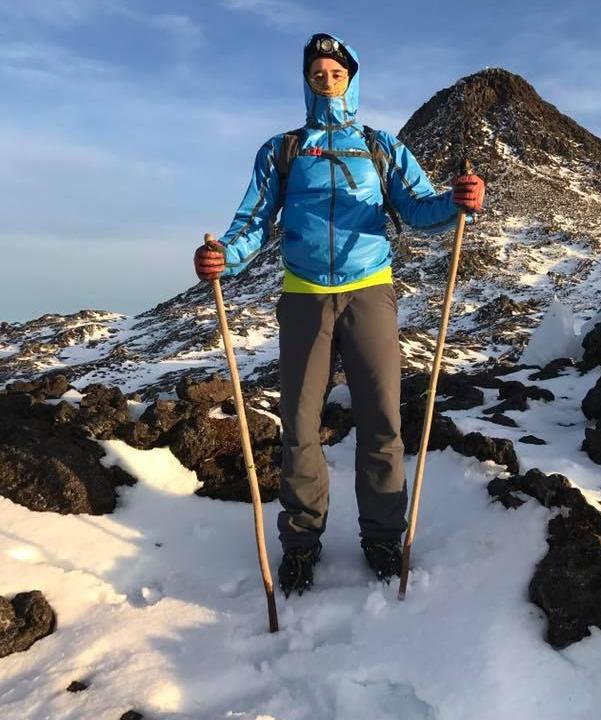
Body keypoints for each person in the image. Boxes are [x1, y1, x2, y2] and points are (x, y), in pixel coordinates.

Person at [194, 33, 484, 597]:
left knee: (381, 421)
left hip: (370, 290)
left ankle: (382, 537)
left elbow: (420, 208)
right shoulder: (281, 150)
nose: (326, 80)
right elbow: (253, 221)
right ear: (306, 81)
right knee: (301, 427)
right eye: (316, 73)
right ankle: (301, 544)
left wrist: (456, 201)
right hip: (303, 296)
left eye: (335, 72)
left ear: (351, 79)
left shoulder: (381, 146)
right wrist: (223, 256)